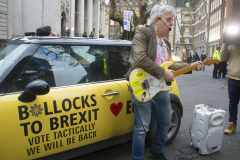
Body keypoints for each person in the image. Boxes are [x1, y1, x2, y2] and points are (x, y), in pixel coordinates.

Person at [124, 5, 203, 160]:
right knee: (142, 128)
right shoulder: (143, 32)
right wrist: (163, 73)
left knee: (166, 121)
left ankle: (157, 149)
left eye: (172, 20)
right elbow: (140, 58)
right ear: (156, 20)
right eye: (168, 19)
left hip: (160, 88)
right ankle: (137, 158)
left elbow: (170, 65)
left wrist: (192, 66)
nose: (171, 23)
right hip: (142, 85)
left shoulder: (166, 43)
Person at [220, 43, 240, 135]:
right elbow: (223, 58)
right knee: (233, 103)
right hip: (233, 77)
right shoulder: (231, 42)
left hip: (234, 76)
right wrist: (225, 44)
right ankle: (232, 124)